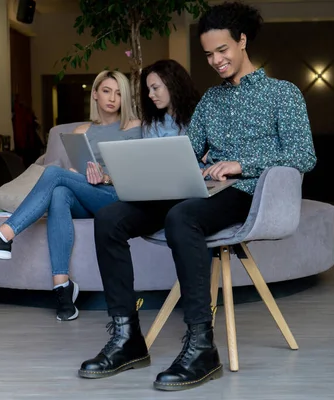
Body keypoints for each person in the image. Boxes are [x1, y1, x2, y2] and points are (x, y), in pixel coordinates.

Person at [77, 1, 317, 391]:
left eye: (223, 50)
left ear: (242, 41)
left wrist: (241, 163)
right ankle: (127, 339)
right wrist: (126, 170)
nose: (216, 60)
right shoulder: (210, 101)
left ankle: (202, 346)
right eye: (209, 54)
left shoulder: (282, 94)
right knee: (109, 220)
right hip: (200, 190)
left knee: (181, 217)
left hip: (246, 193)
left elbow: (303, 154)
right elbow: (186, 152)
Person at [0, 65, 199, 321]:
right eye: (106, 91)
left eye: (118, 93)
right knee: (59, 191)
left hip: (117, 196)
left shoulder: (138, 127)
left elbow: (140, 169)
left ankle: (2, 236)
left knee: (54, 175)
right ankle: (62, 287)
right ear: (95, 94)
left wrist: (105, 176)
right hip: (88, 194)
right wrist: (78, 174)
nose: (112, 98)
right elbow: (77, 169)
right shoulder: (81, 131)